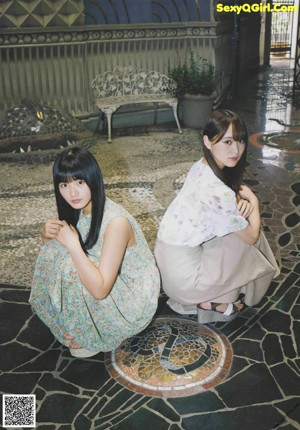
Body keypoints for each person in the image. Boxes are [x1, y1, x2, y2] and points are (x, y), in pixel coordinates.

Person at [30, 147, 160, 358]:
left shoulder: (116, 222)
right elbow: (56, 254)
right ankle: (77, 324)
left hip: (132, 300)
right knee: (55, 252)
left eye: (80, 182)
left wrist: (73, 246)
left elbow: (100, 290)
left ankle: (91, 334)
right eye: (64, 184)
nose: (72, 193)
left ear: (93, 179)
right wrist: (47, 236)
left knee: (71, 264)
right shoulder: (80, 208)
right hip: (103, 278)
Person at [154, 110, 279, 323]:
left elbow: (218, 203)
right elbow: (251, 237)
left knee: (238, 226)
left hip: (169, 268)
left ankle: (235, 288)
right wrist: (255, 205)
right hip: (186, 281)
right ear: (208, 141)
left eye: (240, 141)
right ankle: (249, 288)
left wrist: (236, 208)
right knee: (247, 234)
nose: (236, 150)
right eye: (227, 142)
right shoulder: (219, 192)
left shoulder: (201, 166)